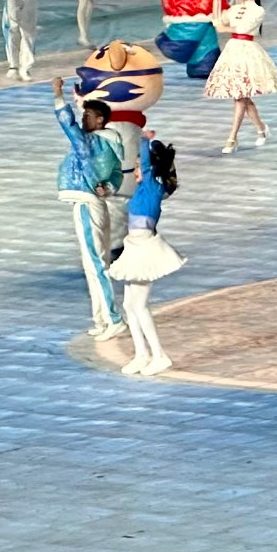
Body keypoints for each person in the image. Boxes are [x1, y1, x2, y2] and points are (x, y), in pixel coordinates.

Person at [49, 77, 127, 341]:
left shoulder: (90, 143)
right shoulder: (110, 144)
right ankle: (102, 319)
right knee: (95, 263)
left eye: (88, 116)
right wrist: (109, 188)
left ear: (100, 120)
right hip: (97, 204)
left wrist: (58, 94)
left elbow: (67, 123)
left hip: (86, 203)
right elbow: (116, 174)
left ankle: (113, 319)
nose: (83, 120)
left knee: (95, 265)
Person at [104, 133, 184, 377]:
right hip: (134, 247)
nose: (136, 170)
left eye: (138, 166)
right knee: (129, 305)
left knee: (139, 306)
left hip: (145, 249)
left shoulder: (152, 185)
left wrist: (144, 139)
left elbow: (148, 162)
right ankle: (141, 354)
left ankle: (159, 355)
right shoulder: (144, 188)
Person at [202, 0, 277, 153]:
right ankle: (261, 129)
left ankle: (232, 138)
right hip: (233, 52)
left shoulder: (258, 11)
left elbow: (241, 28)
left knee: (241, 97)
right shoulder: (234, 9)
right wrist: (216, 1)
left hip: (247, 53)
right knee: (242, 97)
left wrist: (223, 27)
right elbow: (218, 22)